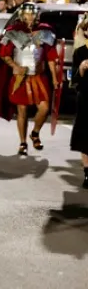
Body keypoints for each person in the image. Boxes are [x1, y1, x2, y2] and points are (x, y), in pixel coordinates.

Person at [0, 2, 60, 155]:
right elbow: (3, 54)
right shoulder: (12, 32)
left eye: (33, 14)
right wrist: (15, 66)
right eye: (28, 14)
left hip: (39, 76)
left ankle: (35, 133)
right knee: (22, 111)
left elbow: (50, 58)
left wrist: (54, 78)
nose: (30, 17)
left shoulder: (45, 32)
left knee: (44, 108)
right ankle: (23, 143)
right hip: (19, 78)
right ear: (22, 15)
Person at [70, 15, 88, 187]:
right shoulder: (79, 52)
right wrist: (81, 68)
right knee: (85, 135)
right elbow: (73, 79)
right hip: (86, 96)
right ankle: (87, 173)